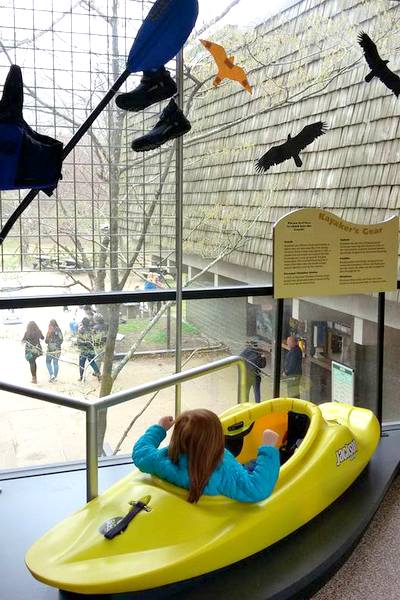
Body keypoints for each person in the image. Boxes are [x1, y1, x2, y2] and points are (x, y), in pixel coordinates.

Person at [132, 409, 280, 504]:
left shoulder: (162, 460)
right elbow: (257, 489)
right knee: (257, 463)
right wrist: (268, 448)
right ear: (216, 440)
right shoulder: (221, 472)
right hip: (235, 481)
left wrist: (159, 428)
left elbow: (141, 452)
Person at [240, 338, 267, 403]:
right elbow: (262, 366)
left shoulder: (245, 351)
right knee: (257, 392)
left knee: (246, 391)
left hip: (247, 375)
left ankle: (245, 404)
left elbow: (239, 359)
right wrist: (263, 357)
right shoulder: (259, 354)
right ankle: (257, 404)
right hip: (256, 376)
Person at [77, 318, 101, 382]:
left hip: (83, 350)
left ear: (82, 323)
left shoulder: (80, 330)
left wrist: (82, 343)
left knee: (81, 364)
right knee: (92, 362)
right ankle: (98, 374)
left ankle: (82, 378)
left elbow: (78, 340)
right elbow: (96, 339)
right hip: (91, 348)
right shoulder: (92, 329)